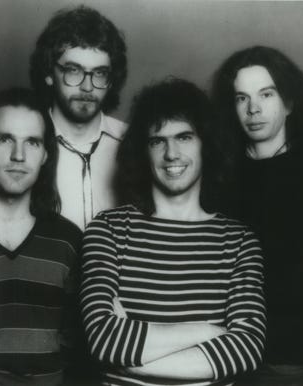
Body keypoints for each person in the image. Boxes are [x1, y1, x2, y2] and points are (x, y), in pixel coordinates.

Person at [79, 78, 266, 385]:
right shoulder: (108, 230)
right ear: (143, 150)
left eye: (184, 137)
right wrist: (205, 331)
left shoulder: (239, 241)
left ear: (207, 144)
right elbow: (103, 339)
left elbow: (245, 348)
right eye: (157, 141)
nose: (171, 154)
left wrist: (130, 362)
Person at [211, 46, 303, 385]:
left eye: (265, 94)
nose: (253, 109)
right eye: (241, 98)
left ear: (289, 102)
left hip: (282, 362)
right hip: (209, 355)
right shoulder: (213, 180)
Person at [0, 88, 82, 385]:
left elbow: (78, 341)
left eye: (32, 142)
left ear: (46, 154)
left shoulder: (69, 241)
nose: (18, 155)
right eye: (5, 139)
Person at [30, 5, 128, 230]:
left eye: (99, 73)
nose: (87, 86)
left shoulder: (133, 141)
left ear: (111, 80)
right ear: (48, 73)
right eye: (73, 70)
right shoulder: (26, 145)